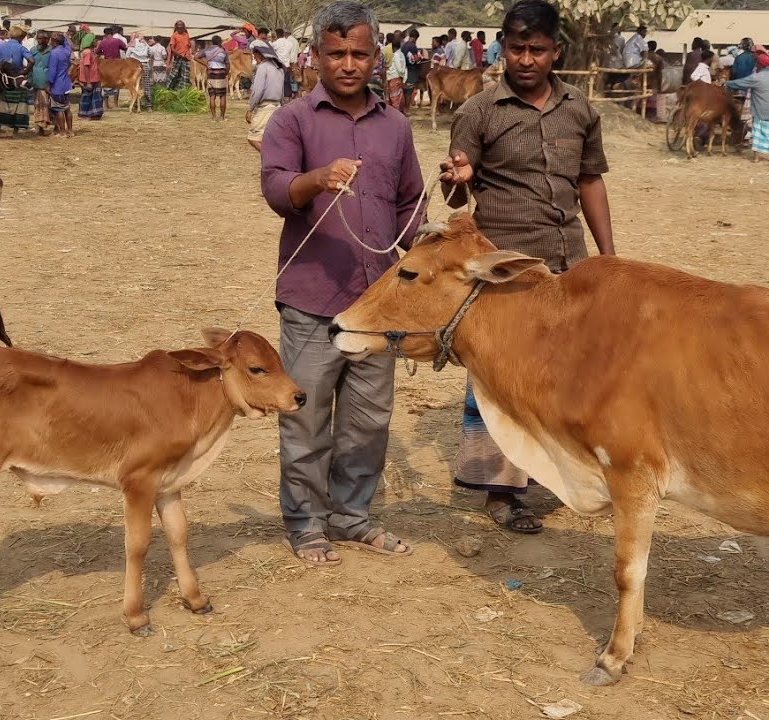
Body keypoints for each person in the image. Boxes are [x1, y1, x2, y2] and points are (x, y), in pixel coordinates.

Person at [439, 0, 614, 534]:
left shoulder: (580, 110)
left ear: (556, 50)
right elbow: (452, 194)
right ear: (502, 48)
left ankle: (550, 473)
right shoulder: (479, 111)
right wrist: (457, 176)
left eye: (538, 49)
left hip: (566, 262)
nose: (527, 58)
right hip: (503, 270)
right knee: (498, 378)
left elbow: (590, 181)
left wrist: (609, 258)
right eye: (517, 48)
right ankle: (499, 491)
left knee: (561, 373)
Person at [261, 0, 423, 566]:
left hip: (378, 303)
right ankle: (306, 522)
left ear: (377, 56)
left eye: (359, 53)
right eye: (336, 53)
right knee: (305, 415)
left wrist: (442, 200)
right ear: (315, 57)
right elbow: (277, 191)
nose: (348, 64)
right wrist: (317, 179)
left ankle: (352, 516)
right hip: (311, 299)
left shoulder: (397, 126)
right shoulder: (293, 120)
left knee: (368, 419)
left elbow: (408, 208)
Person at [727, 52, 769, 160]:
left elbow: (740, 83)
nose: (755, 64)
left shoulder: (756, 77)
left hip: (759, 111)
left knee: (757, 132)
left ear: (761, 64)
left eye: (757, 62)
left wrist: (727, 83)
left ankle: (756, 157)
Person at [0, 26, 33, 133]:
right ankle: (15, 129)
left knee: (2, 104)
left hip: (3, 80)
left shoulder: (1, 47)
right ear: (21, 37)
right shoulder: (21, 48)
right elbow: (32, 60)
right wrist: (24, 72)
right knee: (19, 104)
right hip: (17, 79)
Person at [246, 43, 284, 150]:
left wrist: (250, 109)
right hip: (277, 107)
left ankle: (271, 159)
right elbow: (282, 93)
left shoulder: (263, 67)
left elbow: (257, 91)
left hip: (264, 107)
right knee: (270, 138)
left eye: (255, 56)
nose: (254, 58)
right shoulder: (279, 69)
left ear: (261, 55)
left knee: (253, 138)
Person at [46, 32, 73, 136]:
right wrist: (62, 35)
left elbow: (52, 71)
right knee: (67, 108)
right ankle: (70, 130)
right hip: (66, 83)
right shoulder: (66, 51)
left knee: (59, 109)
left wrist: (48, 84)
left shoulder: (54, 53)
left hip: (57, 85)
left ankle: (62, 131)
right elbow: (67, 43)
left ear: (55, 42)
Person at [198, 36, 229, 120]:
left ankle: (213, 117)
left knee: (212, 95)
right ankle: (222, 117)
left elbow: (196, 57)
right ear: (220, 42)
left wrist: (206, 64)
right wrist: (225, 73)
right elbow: (227, 64)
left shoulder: (207, 50)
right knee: (222, 95)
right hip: (221, 74)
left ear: (212, 42)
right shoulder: (223, 51)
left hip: (211, 73)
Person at [29, 30, 53, 135]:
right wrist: (29, 80)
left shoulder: (52, 51)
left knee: (47, 105)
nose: (40, 41)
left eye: (43, 39)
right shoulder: (32, 50)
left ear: (47, 40)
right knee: (37, 104)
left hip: (47, 82)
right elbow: (29, 67)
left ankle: (45, 125)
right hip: (35, 81)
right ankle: (38, 127)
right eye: (38, 38)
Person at [77, 41, 103, 120]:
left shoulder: (90, 52)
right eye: (94, 39)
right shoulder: (88, 52)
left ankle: (93, 114)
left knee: (92, 96)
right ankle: (86, 114)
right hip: (90, 79)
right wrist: (88, 82)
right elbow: (86, 66)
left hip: (93, 78)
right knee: (88, 97)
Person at [127, 32, 152, 109]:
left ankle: (134, 104)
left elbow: (127, 56)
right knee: (146, 85)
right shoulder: (145, 45)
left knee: (134, 85)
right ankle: (148, 105)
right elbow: (150, 53)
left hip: (134, 66)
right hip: (145, 65)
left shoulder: (132, 45)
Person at [167, 20, 193, 89]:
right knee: (174, 75)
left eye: (182, 27)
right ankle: (171, 89)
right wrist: (180, 55)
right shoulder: (174, 36)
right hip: (178, 58)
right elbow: (172, 48)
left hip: (186, 59)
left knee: (185, 77)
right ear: (177, 27)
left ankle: (183, 90)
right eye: (179, 27)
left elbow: (189, 46)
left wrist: (188, 55)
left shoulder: (186, 35)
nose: (180, 28)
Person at [401, 28, 420, 111]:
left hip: (404, 69)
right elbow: (415, 59)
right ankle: (407, 108)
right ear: (415, 38)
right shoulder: (413, 46)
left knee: (404, 89)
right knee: (409, 90)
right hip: (411, 70)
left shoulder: (403, 45)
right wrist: (419, 59)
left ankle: (404, 107)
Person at [385, 34, 405, 110]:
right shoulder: (401, 54)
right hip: (399, 78)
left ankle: (394, 116)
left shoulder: (396, 55)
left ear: (393, 47)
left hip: (394, 78)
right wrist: (402, 76)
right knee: (398, 98)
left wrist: (400, 74)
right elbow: (403, 68)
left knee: (394, 99)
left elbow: (399, 68)